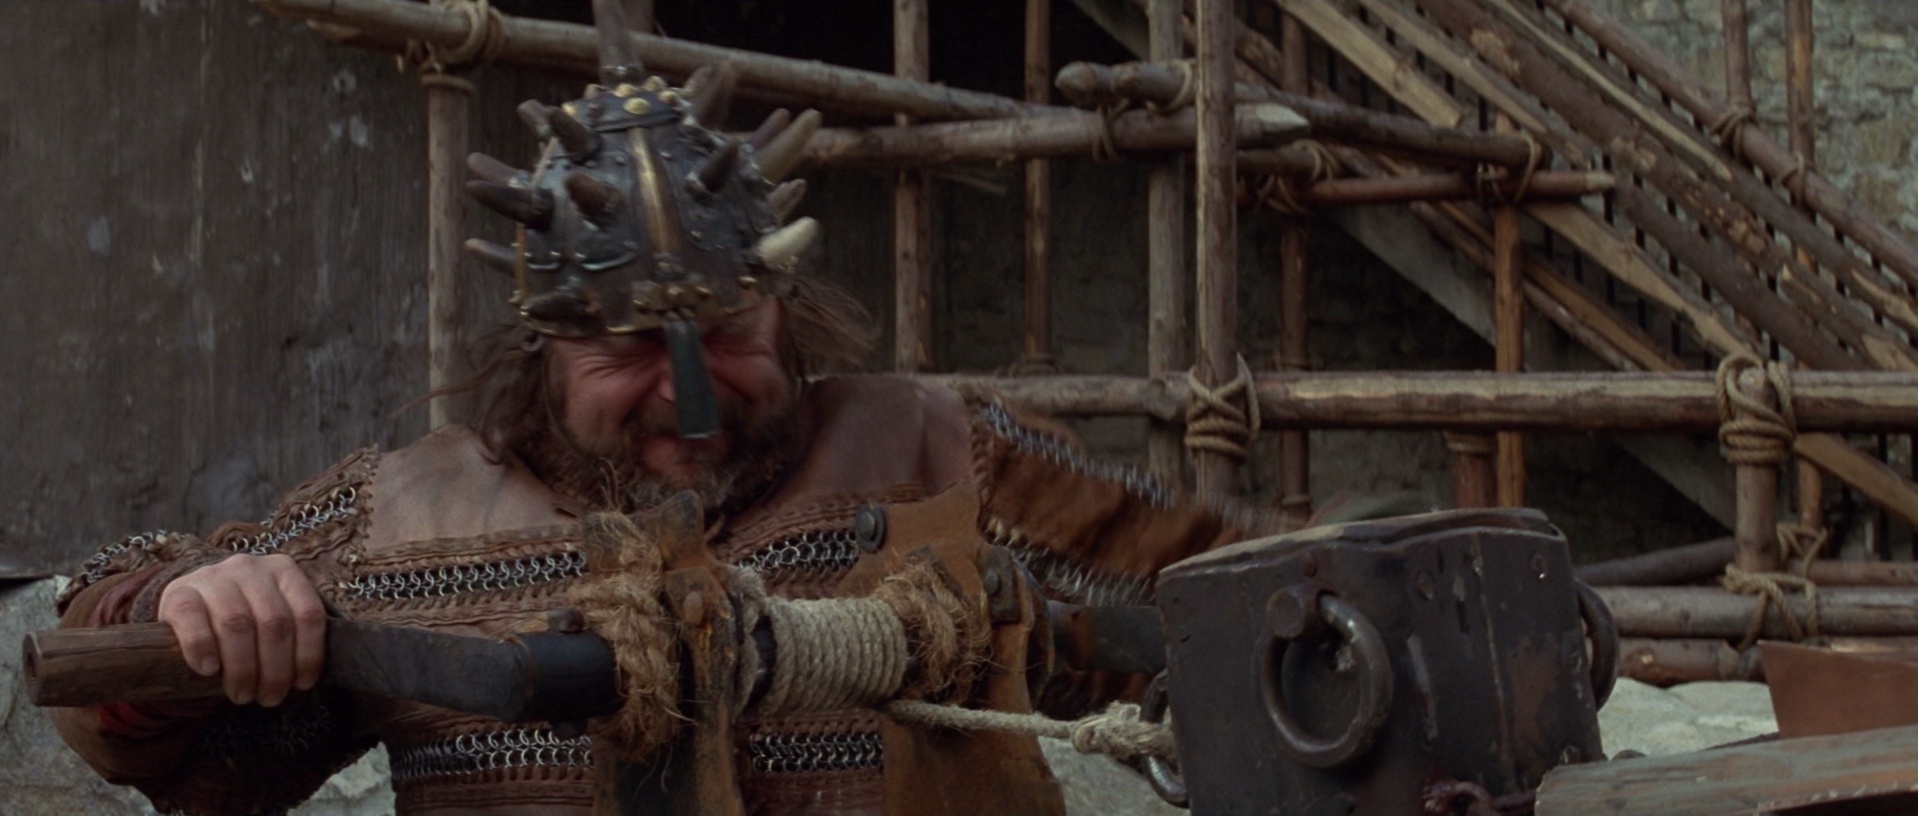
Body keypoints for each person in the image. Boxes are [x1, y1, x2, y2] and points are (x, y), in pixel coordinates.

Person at [49, 3, 1279, 813]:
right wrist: (184, 606)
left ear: (784, 307)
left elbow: (1246, 602)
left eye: (728, 335)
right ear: (543, 349)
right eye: (632, 347)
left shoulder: (942, 452)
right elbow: (162, 742)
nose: (691, 397)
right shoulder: (400, 519)